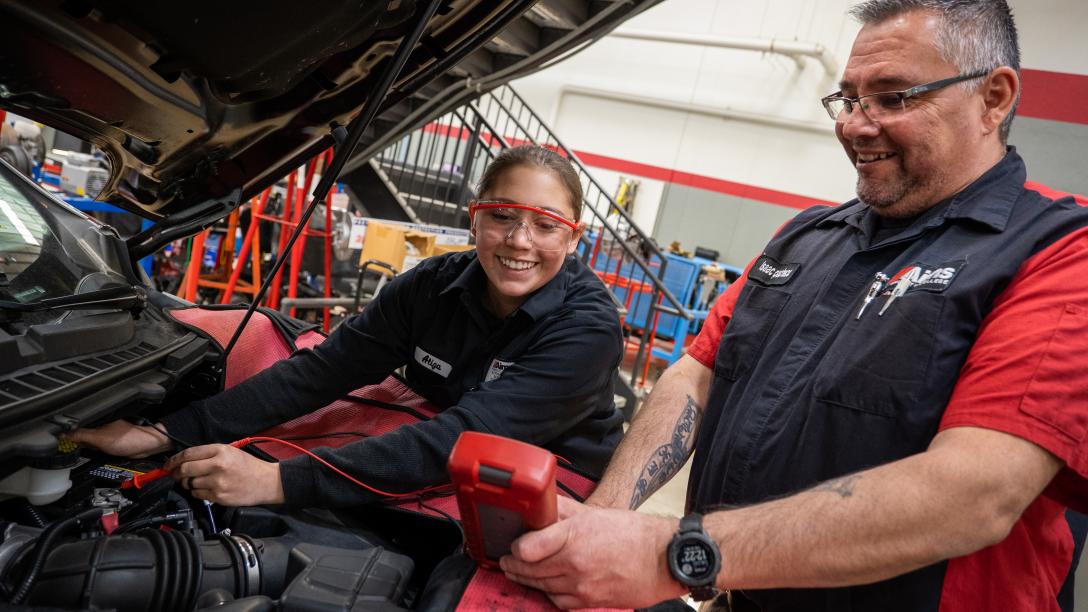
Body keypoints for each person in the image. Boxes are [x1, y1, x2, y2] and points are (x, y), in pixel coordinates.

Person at [500, 2, 1088, 611]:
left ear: (993, 98)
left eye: (893, 97)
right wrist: (602, 522)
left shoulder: (1058, 253)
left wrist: (670, 552)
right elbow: (698, 376)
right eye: (849, 99)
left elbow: (976, 490)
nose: (857, 125)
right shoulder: (808, 236)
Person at [68, 144, 625, 508]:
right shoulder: (432, 285)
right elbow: (327, 370)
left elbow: (462, 440)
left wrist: (277, 482)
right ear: (475, 216)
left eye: (545, 225)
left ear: (573, 238)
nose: (520, 241)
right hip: (438, 434)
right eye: (502, 216)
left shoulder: (587, 331)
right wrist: (170, 431)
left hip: (555, 476)